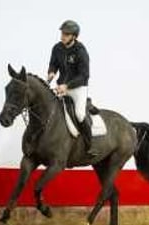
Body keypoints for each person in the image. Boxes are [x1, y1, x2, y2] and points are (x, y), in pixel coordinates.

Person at [47, 20, 98, 156]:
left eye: (66, 34)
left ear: (74, 36)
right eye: (62, 33)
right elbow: (53, 63)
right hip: (61, 86)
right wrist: (51, 72)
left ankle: (89, 146)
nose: (62, 36)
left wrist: (67, 86)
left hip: (78, 88)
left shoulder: (81, 51)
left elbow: (84, 75)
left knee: (80, 115)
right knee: (50, 108)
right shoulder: (57, 48)